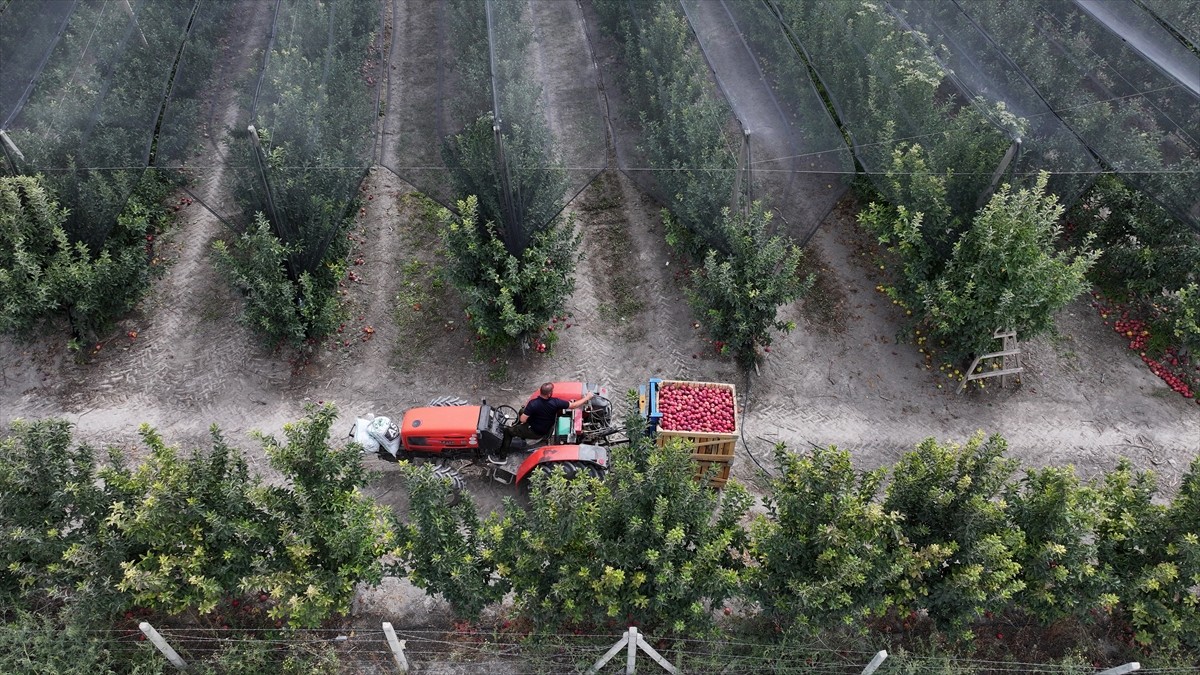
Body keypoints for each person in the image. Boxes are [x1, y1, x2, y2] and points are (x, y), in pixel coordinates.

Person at [489, 382, 595, 464]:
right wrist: (587, 397)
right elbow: (573, 406)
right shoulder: (555, 402)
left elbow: (522, 420)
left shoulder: (533, 404)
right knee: (522, 411)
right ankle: (518, 430)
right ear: (549, 394)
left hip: (536, 431)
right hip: (546, 425)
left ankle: (502, 457)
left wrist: (522, 420)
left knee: (508, 431)